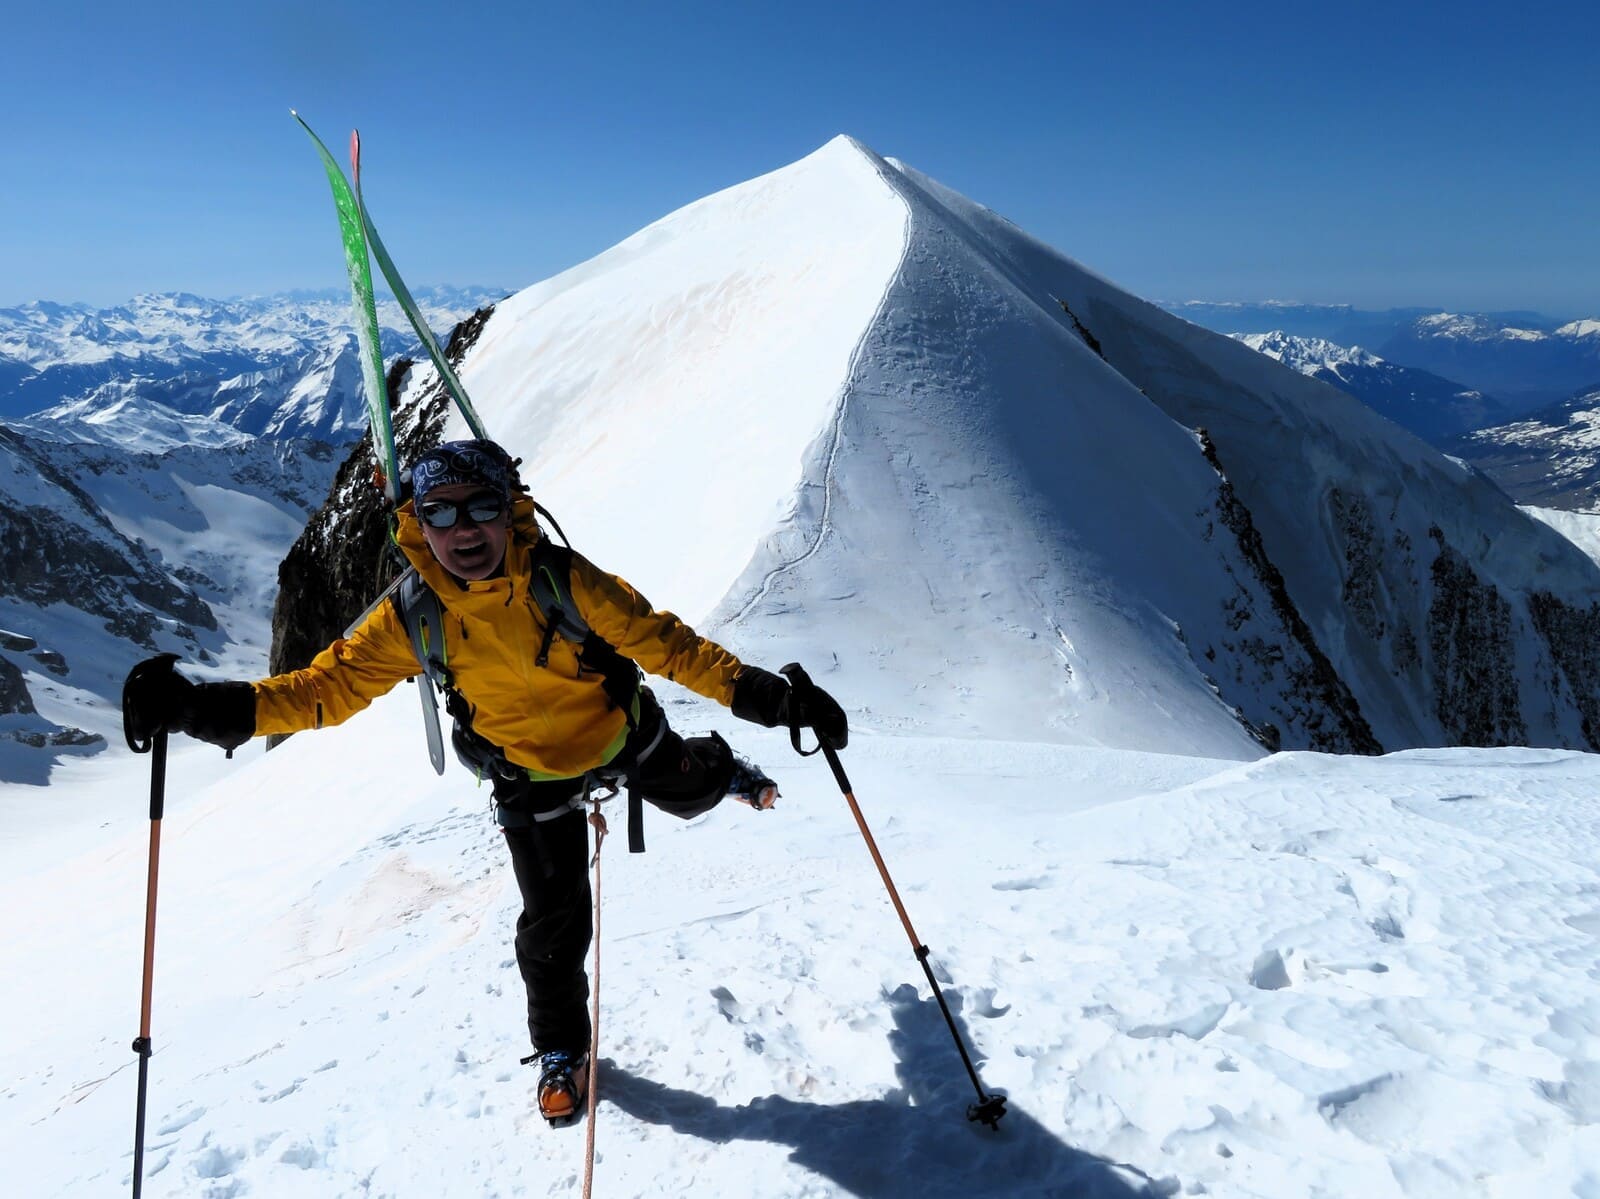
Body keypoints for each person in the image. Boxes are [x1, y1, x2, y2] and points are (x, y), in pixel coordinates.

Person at [122, 438, 847, 1127]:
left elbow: (672, 647)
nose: (462, 528)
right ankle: (562, 1049)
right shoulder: (414, 612)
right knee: (552, 926)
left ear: (511, 511)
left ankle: (726, 772)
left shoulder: (564, 581)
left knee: (690, 791)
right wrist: (203, 707)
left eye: (480, 507)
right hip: (527, 779)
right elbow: (327, 688)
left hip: (619, 734)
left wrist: (775, 701)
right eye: (439, 511)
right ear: (416, 522)